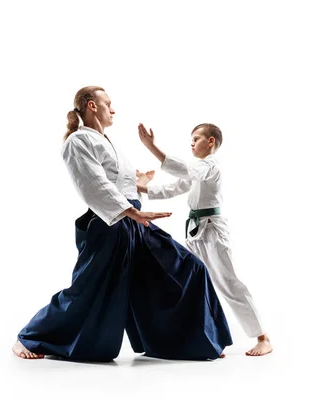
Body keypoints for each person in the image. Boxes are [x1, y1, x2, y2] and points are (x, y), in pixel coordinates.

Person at [12, 87, 232, 362]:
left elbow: (125, 183)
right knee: (87, 292)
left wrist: (140, 185)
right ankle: (29, 337)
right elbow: (93, 185)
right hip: (108, 226)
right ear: (92, 106)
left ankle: (201, 340)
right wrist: (131, 211)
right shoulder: (78, 141)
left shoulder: (108, 142)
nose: (113, 109)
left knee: (189, 268)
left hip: (132, 224)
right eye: (108, 103)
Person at [136, 122, 273, 356]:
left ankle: (263, 337)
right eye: (191, 138)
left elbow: (186, 171)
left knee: (227, 282)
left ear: (211, 142)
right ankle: (208, 339)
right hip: (195, 229)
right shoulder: (199, 169)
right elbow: (175, 187)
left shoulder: (209, 165)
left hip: (212, 230)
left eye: (197, 138)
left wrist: (152, 147)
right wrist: (143, 188)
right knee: (195, 281)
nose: (192, 142)